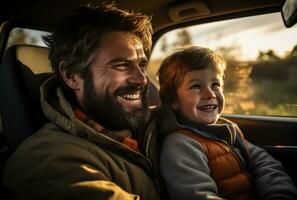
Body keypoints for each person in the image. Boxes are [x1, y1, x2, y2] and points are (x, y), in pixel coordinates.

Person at [2, 4, 165, 200]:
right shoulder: (48, 161)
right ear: (72, 76)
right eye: (121, 65)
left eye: (142, 65)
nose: (142, 79)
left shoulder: (162, 123)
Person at [157, 46, 297, 200]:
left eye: (215, 85)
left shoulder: (227, 129)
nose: (210, 94)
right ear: (173, 101)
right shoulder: (180, 145)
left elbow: (263, 162)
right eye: (196, 86)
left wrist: (279, 194)